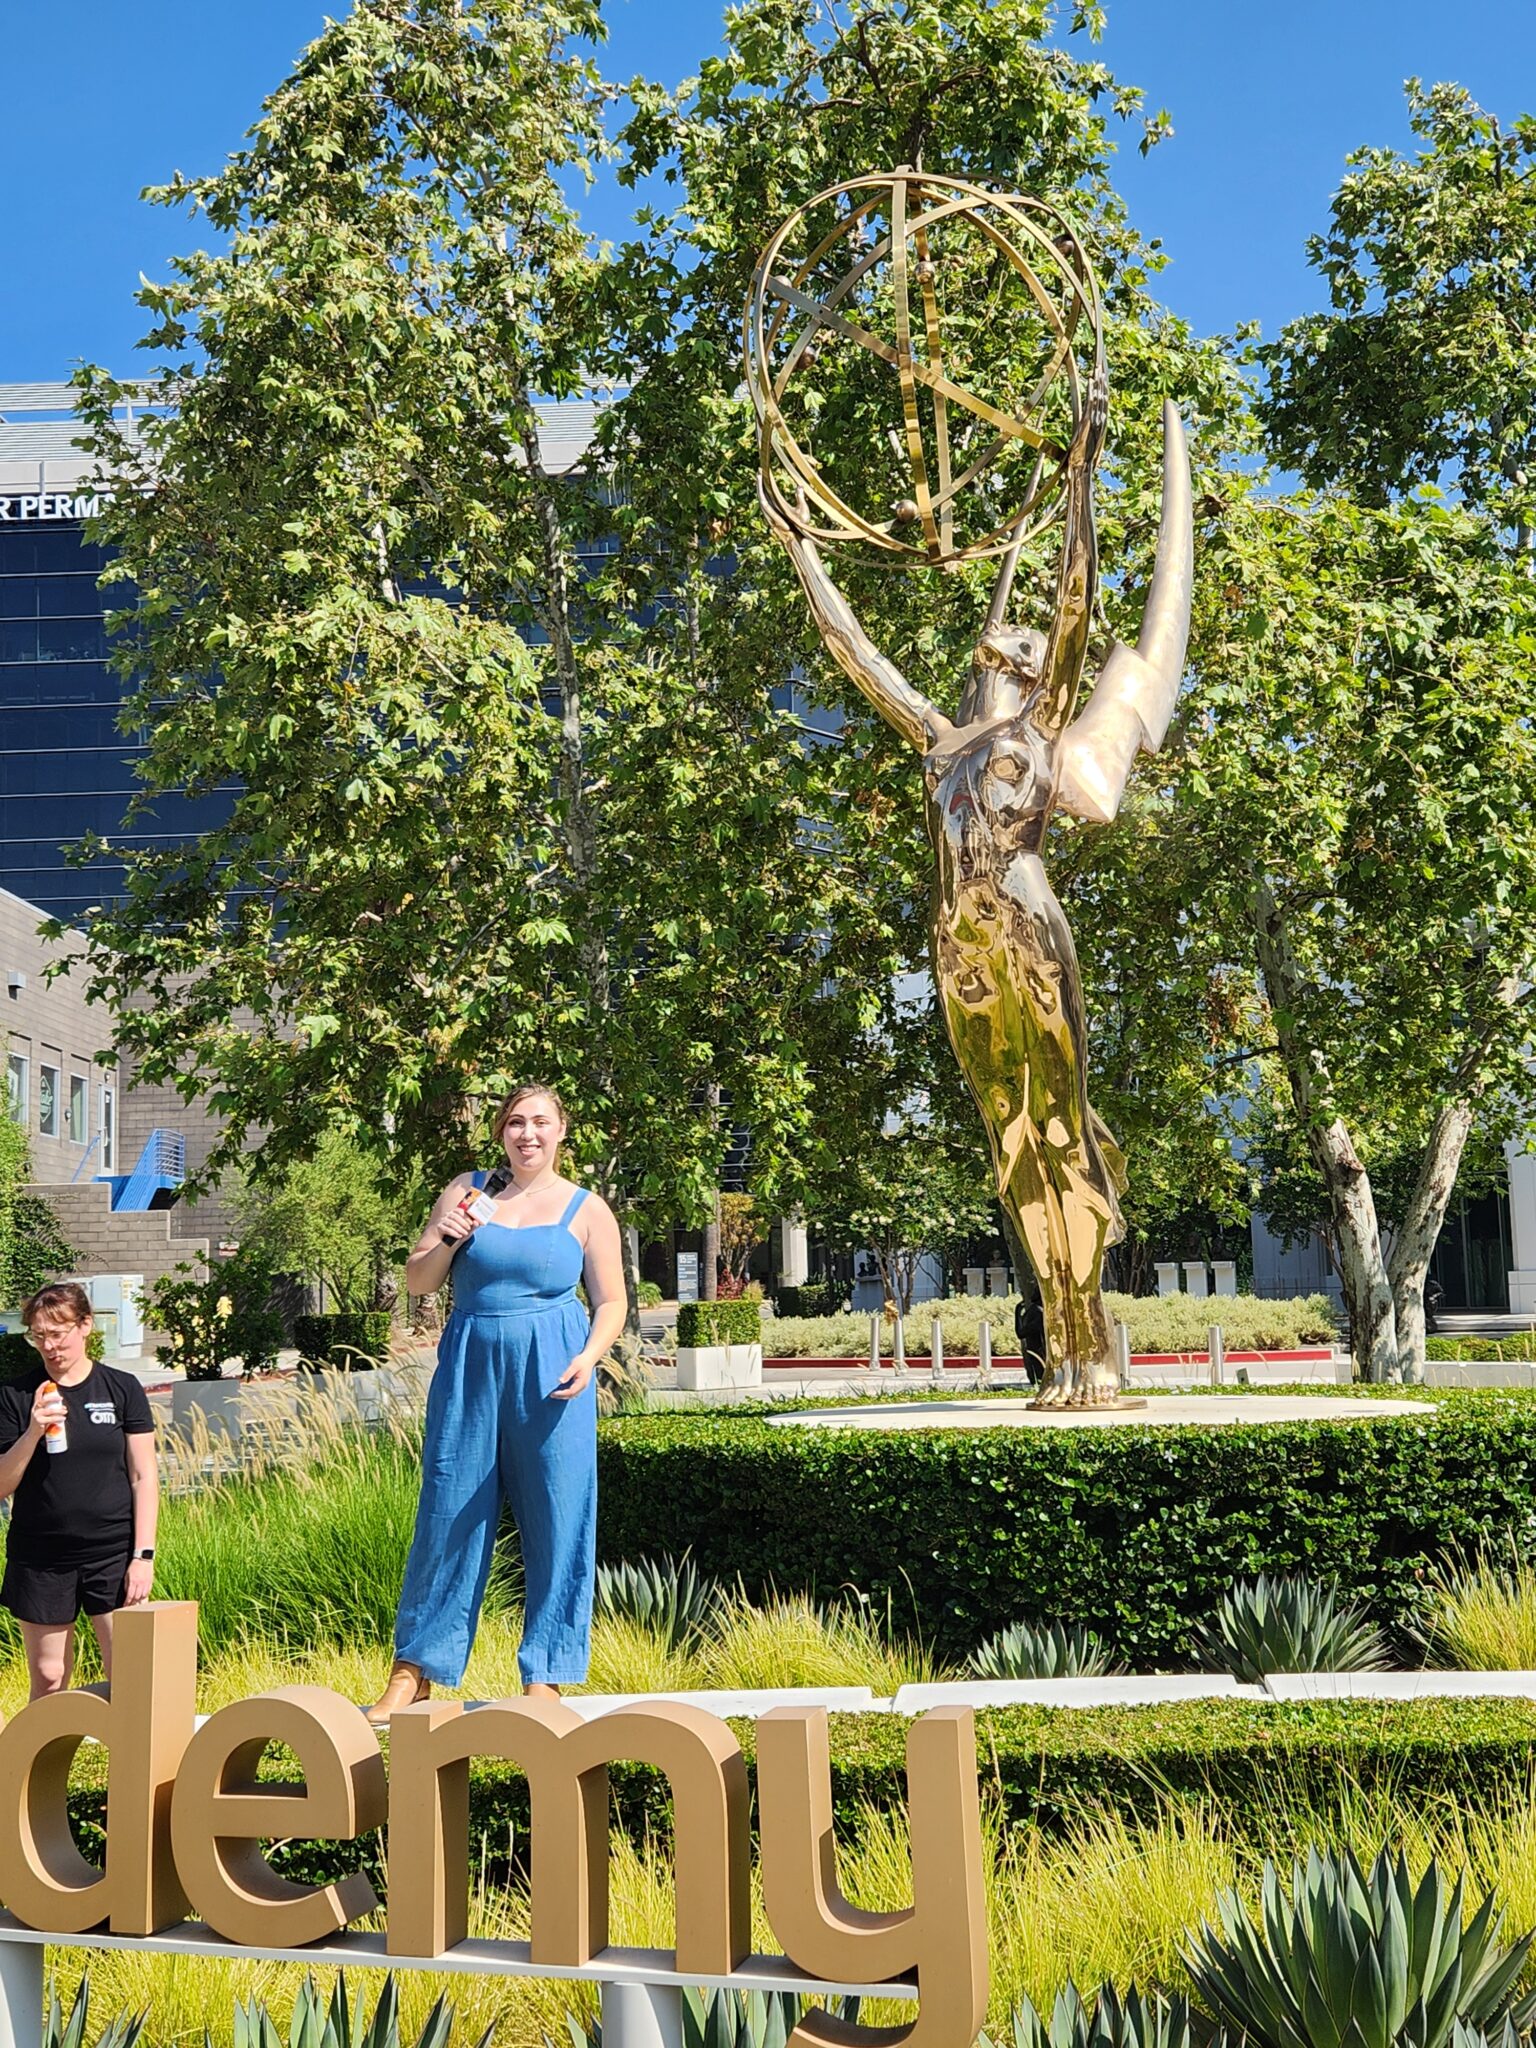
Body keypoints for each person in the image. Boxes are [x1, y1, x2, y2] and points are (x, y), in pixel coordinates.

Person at [367, 1083, 626, 1722]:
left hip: (554, 1371)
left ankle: (547, 1675)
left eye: (540, 1122)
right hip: (471, 1367)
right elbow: (419, 1279)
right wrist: (449, 1237)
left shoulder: (587, 1209)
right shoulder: (469, 1190)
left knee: (560, 1518)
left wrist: (590, 1356)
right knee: (449, 1511)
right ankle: (415, 1671)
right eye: (515, 1122)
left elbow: (612, 1301)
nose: (527, 1133)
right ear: (501, 1132)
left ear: (562, 1130)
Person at [0, 1282, 158, 1700]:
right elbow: (2, 1484)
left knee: (127, 1673)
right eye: (39, 1336)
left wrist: (143, 1556)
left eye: (58, 1333)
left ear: (85, 1325)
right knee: (50, 1677)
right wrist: (34, 1430)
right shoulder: (16, 1396)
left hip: (112, 1552)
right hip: (42, 1556)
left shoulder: (121, 1389)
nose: (49, 1346)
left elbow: (144, 1476)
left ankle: (129, 1763)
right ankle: (36, 1765)